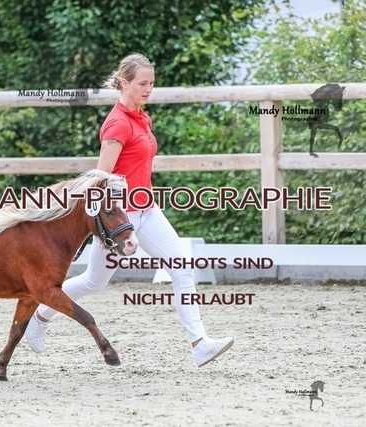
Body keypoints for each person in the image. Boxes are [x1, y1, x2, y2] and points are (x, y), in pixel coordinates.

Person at [24, 53, 234, 367]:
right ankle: (40, 316)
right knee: (93, 282)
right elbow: (100, 179)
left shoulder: (141, 117)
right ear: (124, 83)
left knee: (182, 269)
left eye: (151, 83)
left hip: (147, 210)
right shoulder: (117, 124)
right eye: (142, 83)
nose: (148, 89)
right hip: (120, 219)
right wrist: (108, 223)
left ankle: (199, 344)